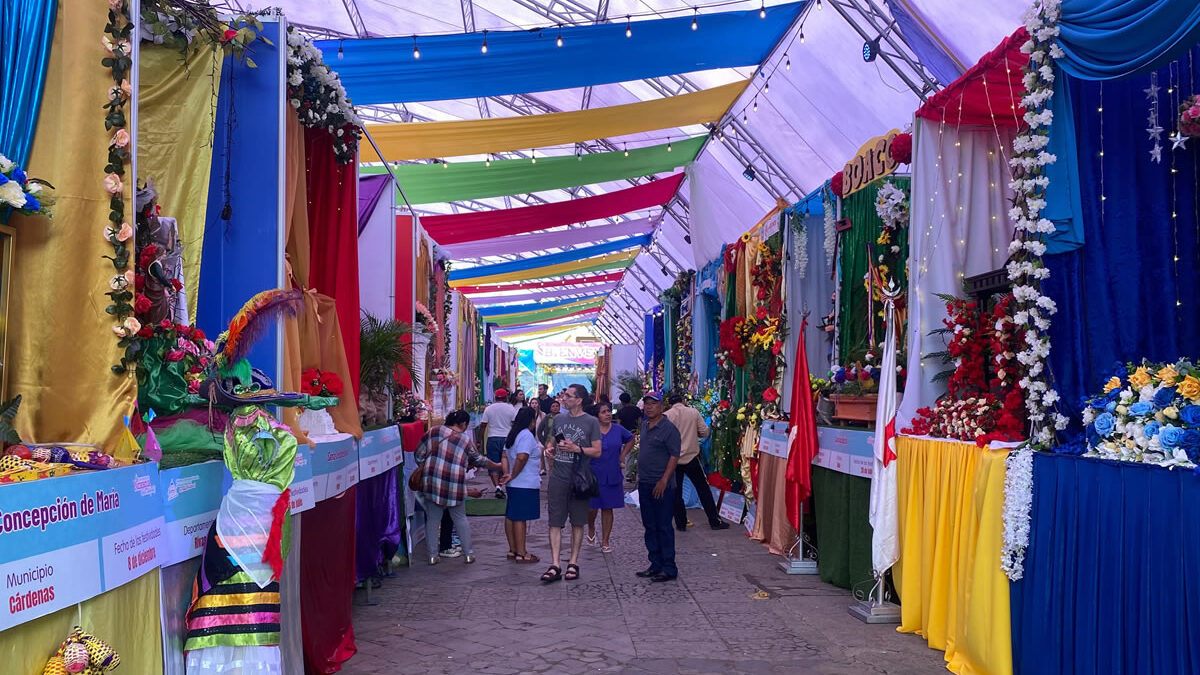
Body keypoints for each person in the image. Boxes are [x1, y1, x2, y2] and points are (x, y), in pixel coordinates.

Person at [414, 410, 504, 565]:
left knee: (433, 520)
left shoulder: (433, 431)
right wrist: (496, 465)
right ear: (463, 424)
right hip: (455, 484)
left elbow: (419, 455)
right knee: (460, 518)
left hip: (432, 482)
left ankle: (432, 556)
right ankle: (468, 554)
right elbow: (477, 459)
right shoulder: (465, 440)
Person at [540, 383, 602, 584]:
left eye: (567, 396)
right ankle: (555, 563)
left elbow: (597, 451)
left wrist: (577, 449)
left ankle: (573, 561)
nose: (563, 398)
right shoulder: (559, 419)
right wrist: (549, 449)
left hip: (579, 478)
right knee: (554, 521)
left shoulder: (591, 422)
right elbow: (551, 441)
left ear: (579, 400)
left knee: (577, 521)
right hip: (558, 476)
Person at [664, 392, 728, 531]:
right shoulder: (693, 412)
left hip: (673, 460)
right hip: (692, 457)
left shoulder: (667, 416)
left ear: (670, 403)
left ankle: (681, 524)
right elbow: (704, 432)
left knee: (676, 492)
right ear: (683, 401)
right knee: (703, 489)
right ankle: (714, 521)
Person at [635, 392, 681, 582]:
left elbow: (674, 456)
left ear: (661, 406)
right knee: (650, 526)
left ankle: (669, 567)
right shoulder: (645, 425)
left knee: (663, 526)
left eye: (653, 404)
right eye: (646, 404)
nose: (649, 407)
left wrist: (664, 480)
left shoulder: (669, 429)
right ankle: (655, 564)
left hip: (662, 485)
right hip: (645, 483)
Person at [586, 402, 635, 553]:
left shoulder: (618, 429)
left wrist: (622, 456)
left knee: (608, 508)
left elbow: (631, 439)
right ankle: (591, 527)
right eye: (603, 412)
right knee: (592, 507)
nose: (607, 414)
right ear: (597, 416)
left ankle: (605, 540)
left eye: (609, 411)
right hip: (593, 472)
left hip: (612, 472)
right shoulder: (591, 430)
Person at [500, 407, 542, 564]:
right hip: (525, 482)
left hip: (514, 483)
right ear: (531, 420)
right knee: (520, 518)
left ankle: (513, 549)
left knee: (511, 515)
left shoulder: (513, 434)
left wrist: (507, 473)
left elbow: (504, 455)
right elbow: (522, 457)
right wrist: (513, 474)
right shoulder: (526, 435)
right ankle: (522, 552)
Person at [480, 388, 517, 499]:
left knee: (493, 463)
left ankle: (497, 487)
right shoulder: (511, 409)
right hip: (507, 438)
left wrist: (479, 440)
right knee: (506, 463)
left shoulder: (489, 409)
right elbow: (515, 424)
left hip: (493, 438)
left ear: (495, 397)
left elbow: (483, 426)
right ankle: (503, 485)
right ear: (506, 397)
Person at [536, 400, 561, 475]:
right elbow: (539, 431)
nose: (555, 408)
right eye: (553, 406)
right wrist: (544, 443)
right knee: (551, 462)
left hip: (560, 442)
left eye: (557, 406)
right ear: (550, 408)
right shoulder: (547, 417)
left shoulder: (563, 417)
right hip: (549, 442)